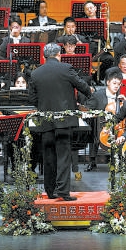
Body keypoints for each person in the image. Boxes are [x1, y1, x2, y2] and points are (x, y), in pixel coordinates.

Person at [29, 43, 92, 201]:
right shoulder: (66, 68)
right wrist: (89, 93)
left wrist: (43, 108)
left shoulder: (36, 73)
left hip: (45, 121)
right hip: (64, 122)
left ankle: (50, 191)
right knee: (64, 157)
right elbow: (83, 87)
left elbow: (32, 98)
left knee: (48, 157)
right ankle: (63, 191)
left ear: (44, 56)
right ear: (59, 54)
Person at [85, 68, 126, 171]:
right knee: (96, 126)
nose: (116, 86)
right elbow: (88, 108)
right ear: (108, 82)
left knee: (122, 132)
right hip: (101, 123)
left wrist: (125, 102)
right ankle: (92, 160)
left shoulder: (120, 95)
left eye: (119, 84)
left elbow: (125, 113)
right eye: (114, 83)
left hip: (116, 123)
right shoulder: (98, 95)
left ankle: (118, 159)